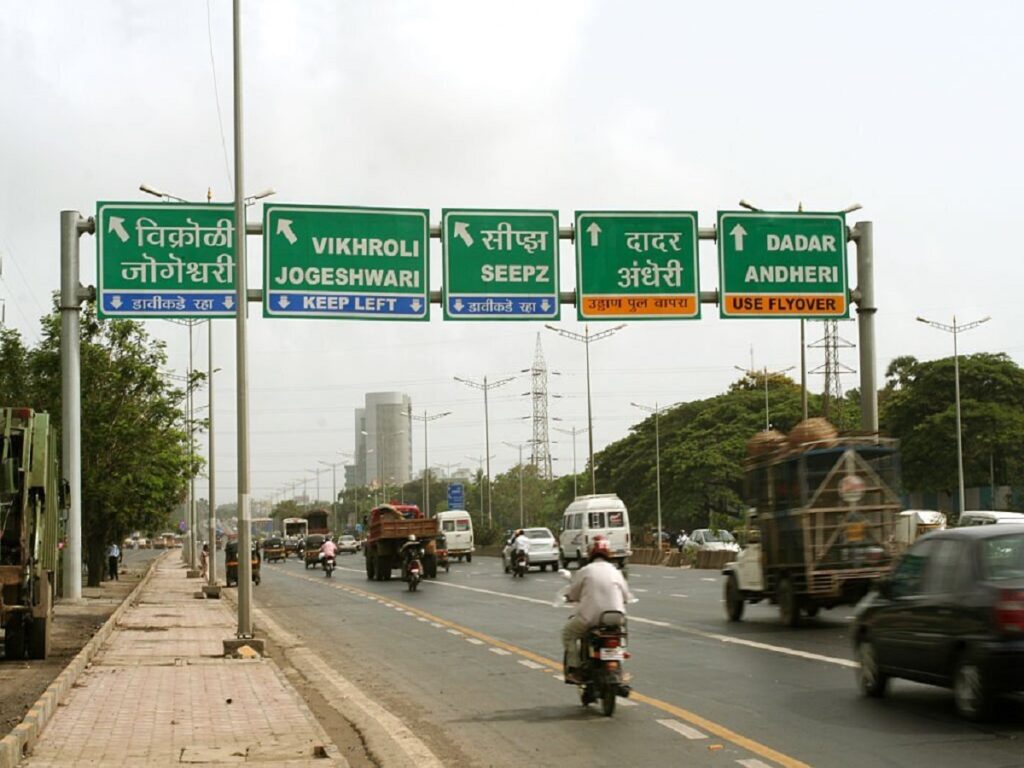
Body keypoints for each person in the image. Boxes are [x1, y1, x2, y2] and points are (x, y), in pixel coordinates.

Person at [561, 535, 634, 683]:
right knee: (619, 638)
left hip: (590, 619)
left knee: (568, 634)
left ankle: (575, 670)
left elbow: (573, 593)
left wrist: (569, 596)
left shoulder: (585, 571)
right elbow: (627, 596)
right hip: (615, 618)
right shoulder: (615, 571)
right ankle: (620, 669)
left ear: (590, 553)